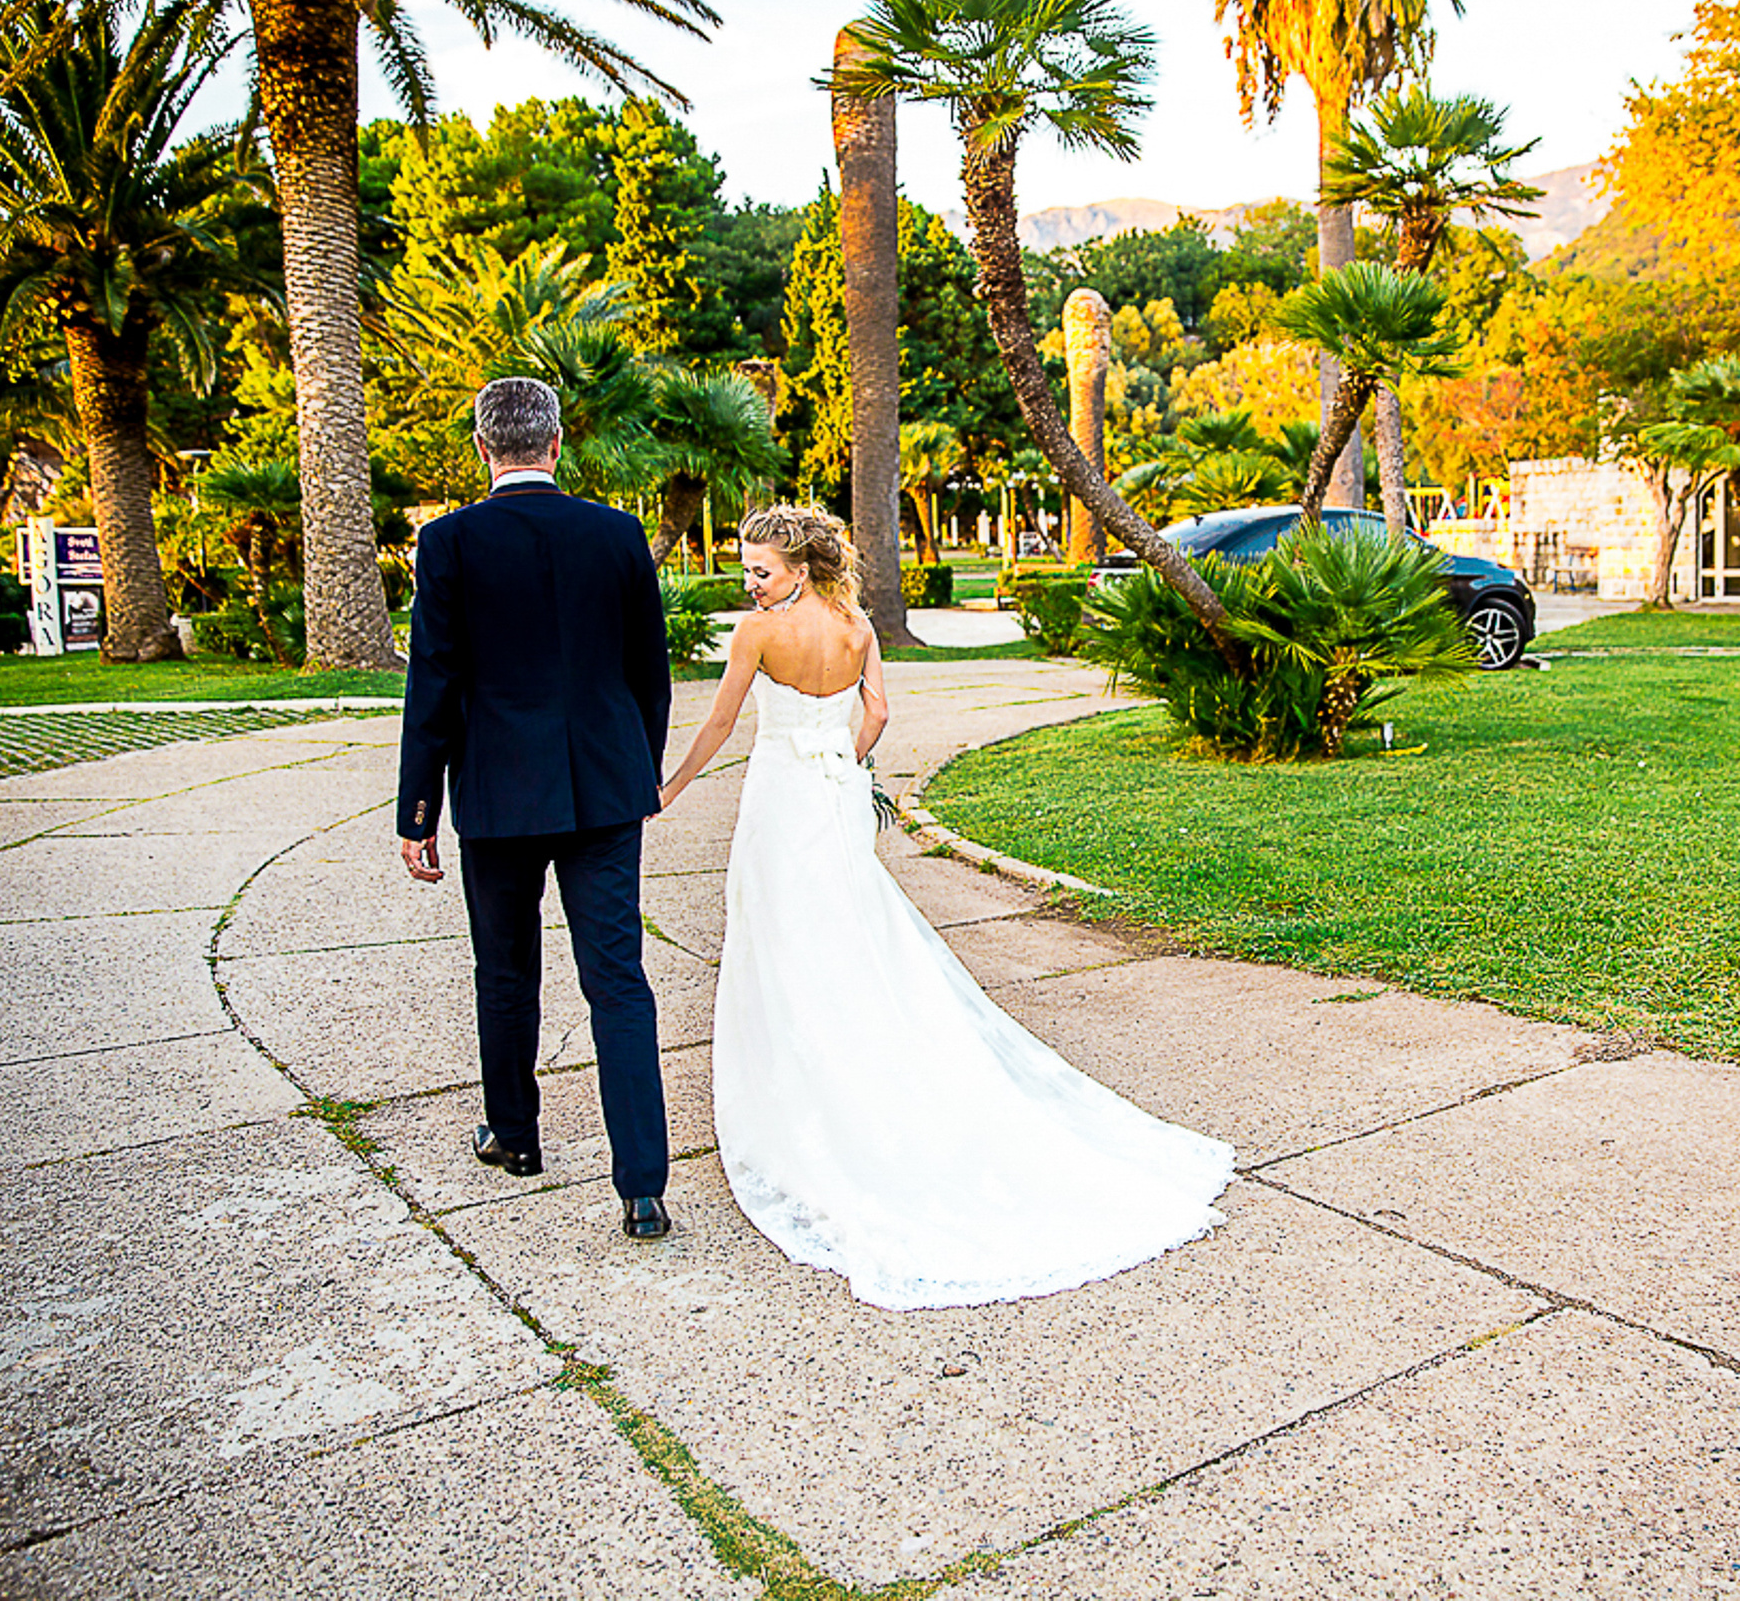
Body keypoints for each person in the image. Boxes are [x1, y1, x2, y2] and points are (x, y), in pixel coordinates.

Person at [660, 505, 1231, 1310]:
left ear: (798, 567)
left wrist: (671, 788)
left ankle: (812, 1106)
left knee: (784, 941)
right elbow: (879, 715)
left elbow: (721, 721)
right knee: (853, 936)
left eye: (759, 570)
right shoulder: (855, 623)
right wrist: (843, 764)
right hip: (832, 796)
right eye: (747, 569)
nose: (750, 583)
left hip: (784, 799)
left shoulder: (759, 634)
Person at [396, 377, 677, 1241]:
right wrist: (639, 771)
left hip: (497, 795)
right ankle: (642, 1186)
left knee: (506, 971)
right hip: (604, 792)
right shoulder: (619, 533)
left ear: (485, 448)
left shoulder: (447, 543)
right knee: (618, 979)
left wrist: (418, 812)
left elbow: (432, 684)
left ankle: (516, 1138)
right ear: (555, 445)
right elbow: (649, 674)